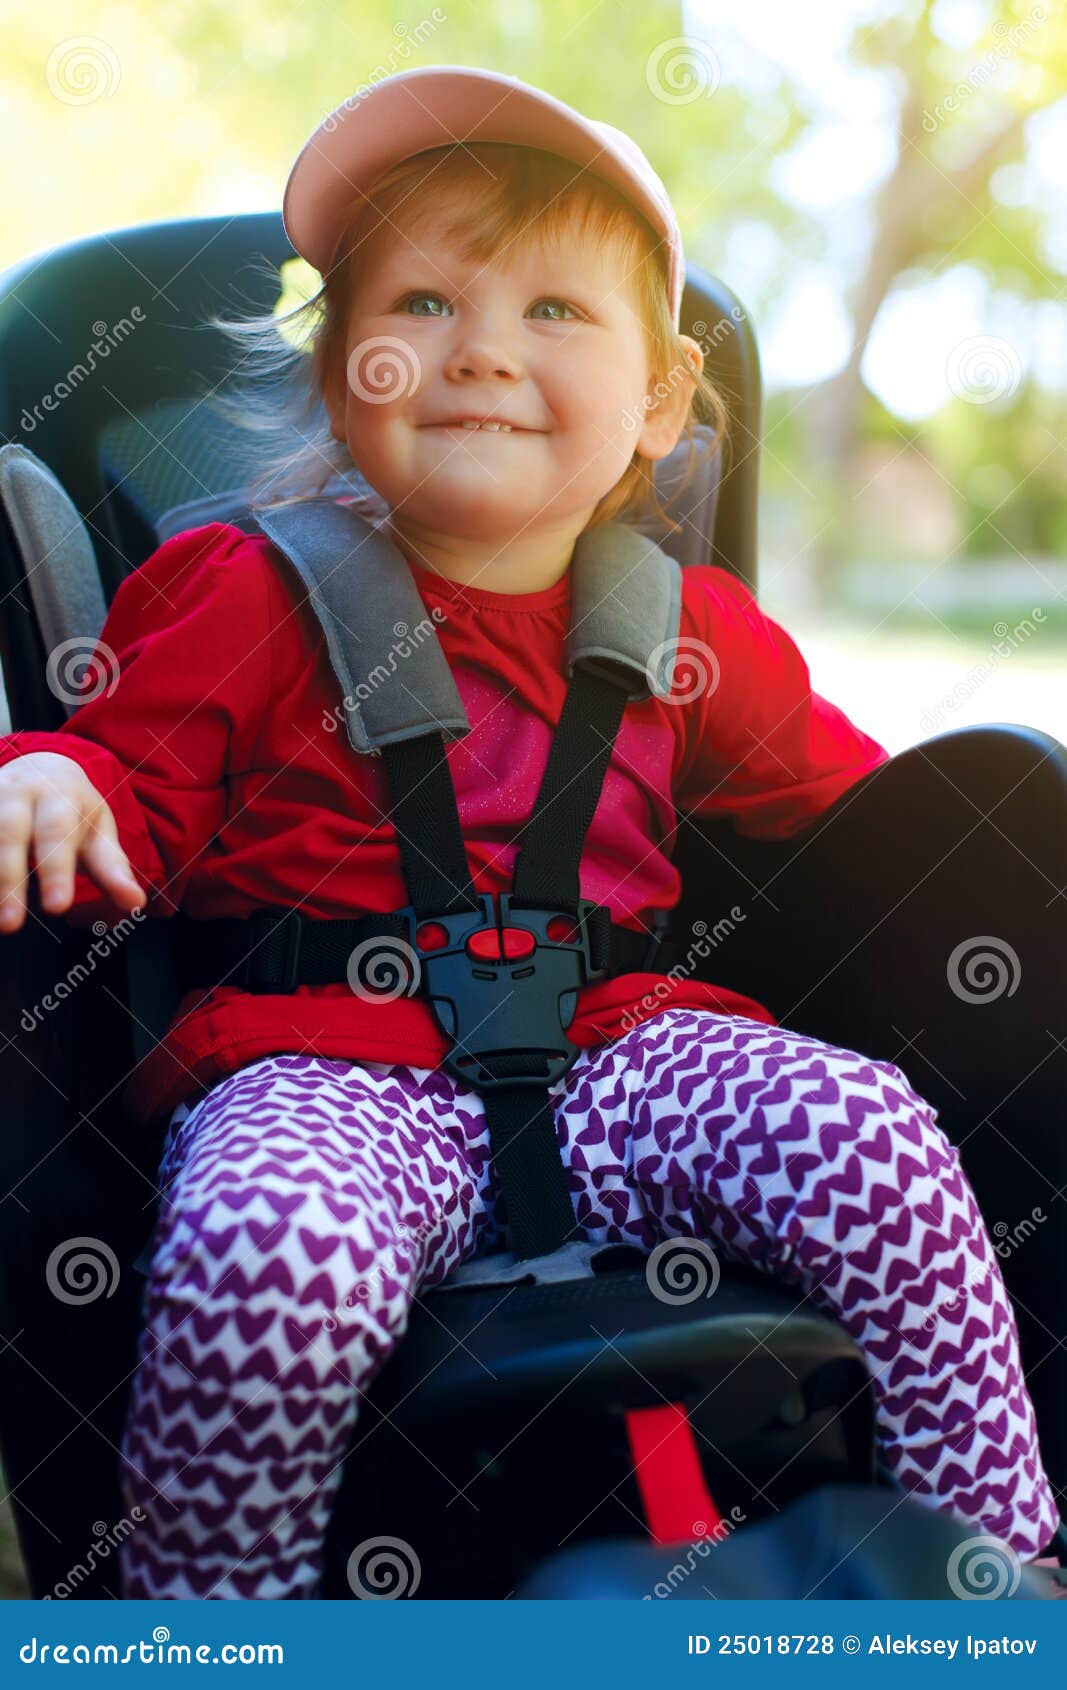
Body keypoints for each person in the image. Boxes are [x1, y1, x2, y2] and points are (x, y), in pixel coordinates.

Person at [0, 65, 1060, 1600]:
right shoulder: (237, 588)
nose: (484, 349)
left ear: (659, 401)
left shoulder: (694, 633)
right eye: (425, 302)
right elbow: (129, 802)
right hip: (323, 1064)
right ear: (334, 367)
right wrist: (51, 775)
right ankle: (217, 1616)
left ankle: (1000, 1562)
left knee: (875, 1140)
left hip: (629, 1050)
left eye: (555, 312)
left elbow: (868, 832)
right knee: (261, 1265)